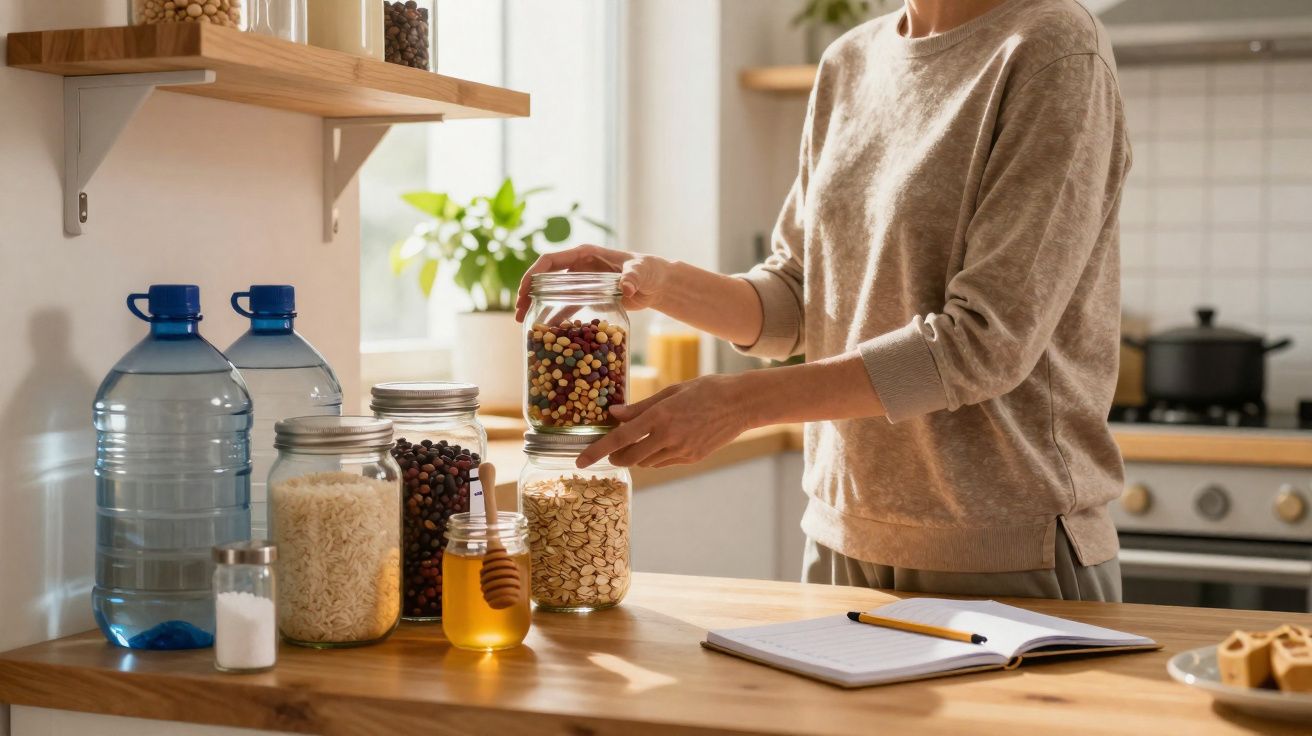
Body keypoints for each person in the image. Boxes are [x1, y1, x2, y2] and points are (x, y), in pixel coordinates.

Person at [515, 0, 1129, 602]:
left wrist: (739, 405)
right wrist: (653, 280)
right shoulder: (850, 61)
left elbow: (987, 342)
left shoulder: (1052, 47)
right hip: (840, 540)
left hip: (1002, 553)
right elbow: (802, 298)